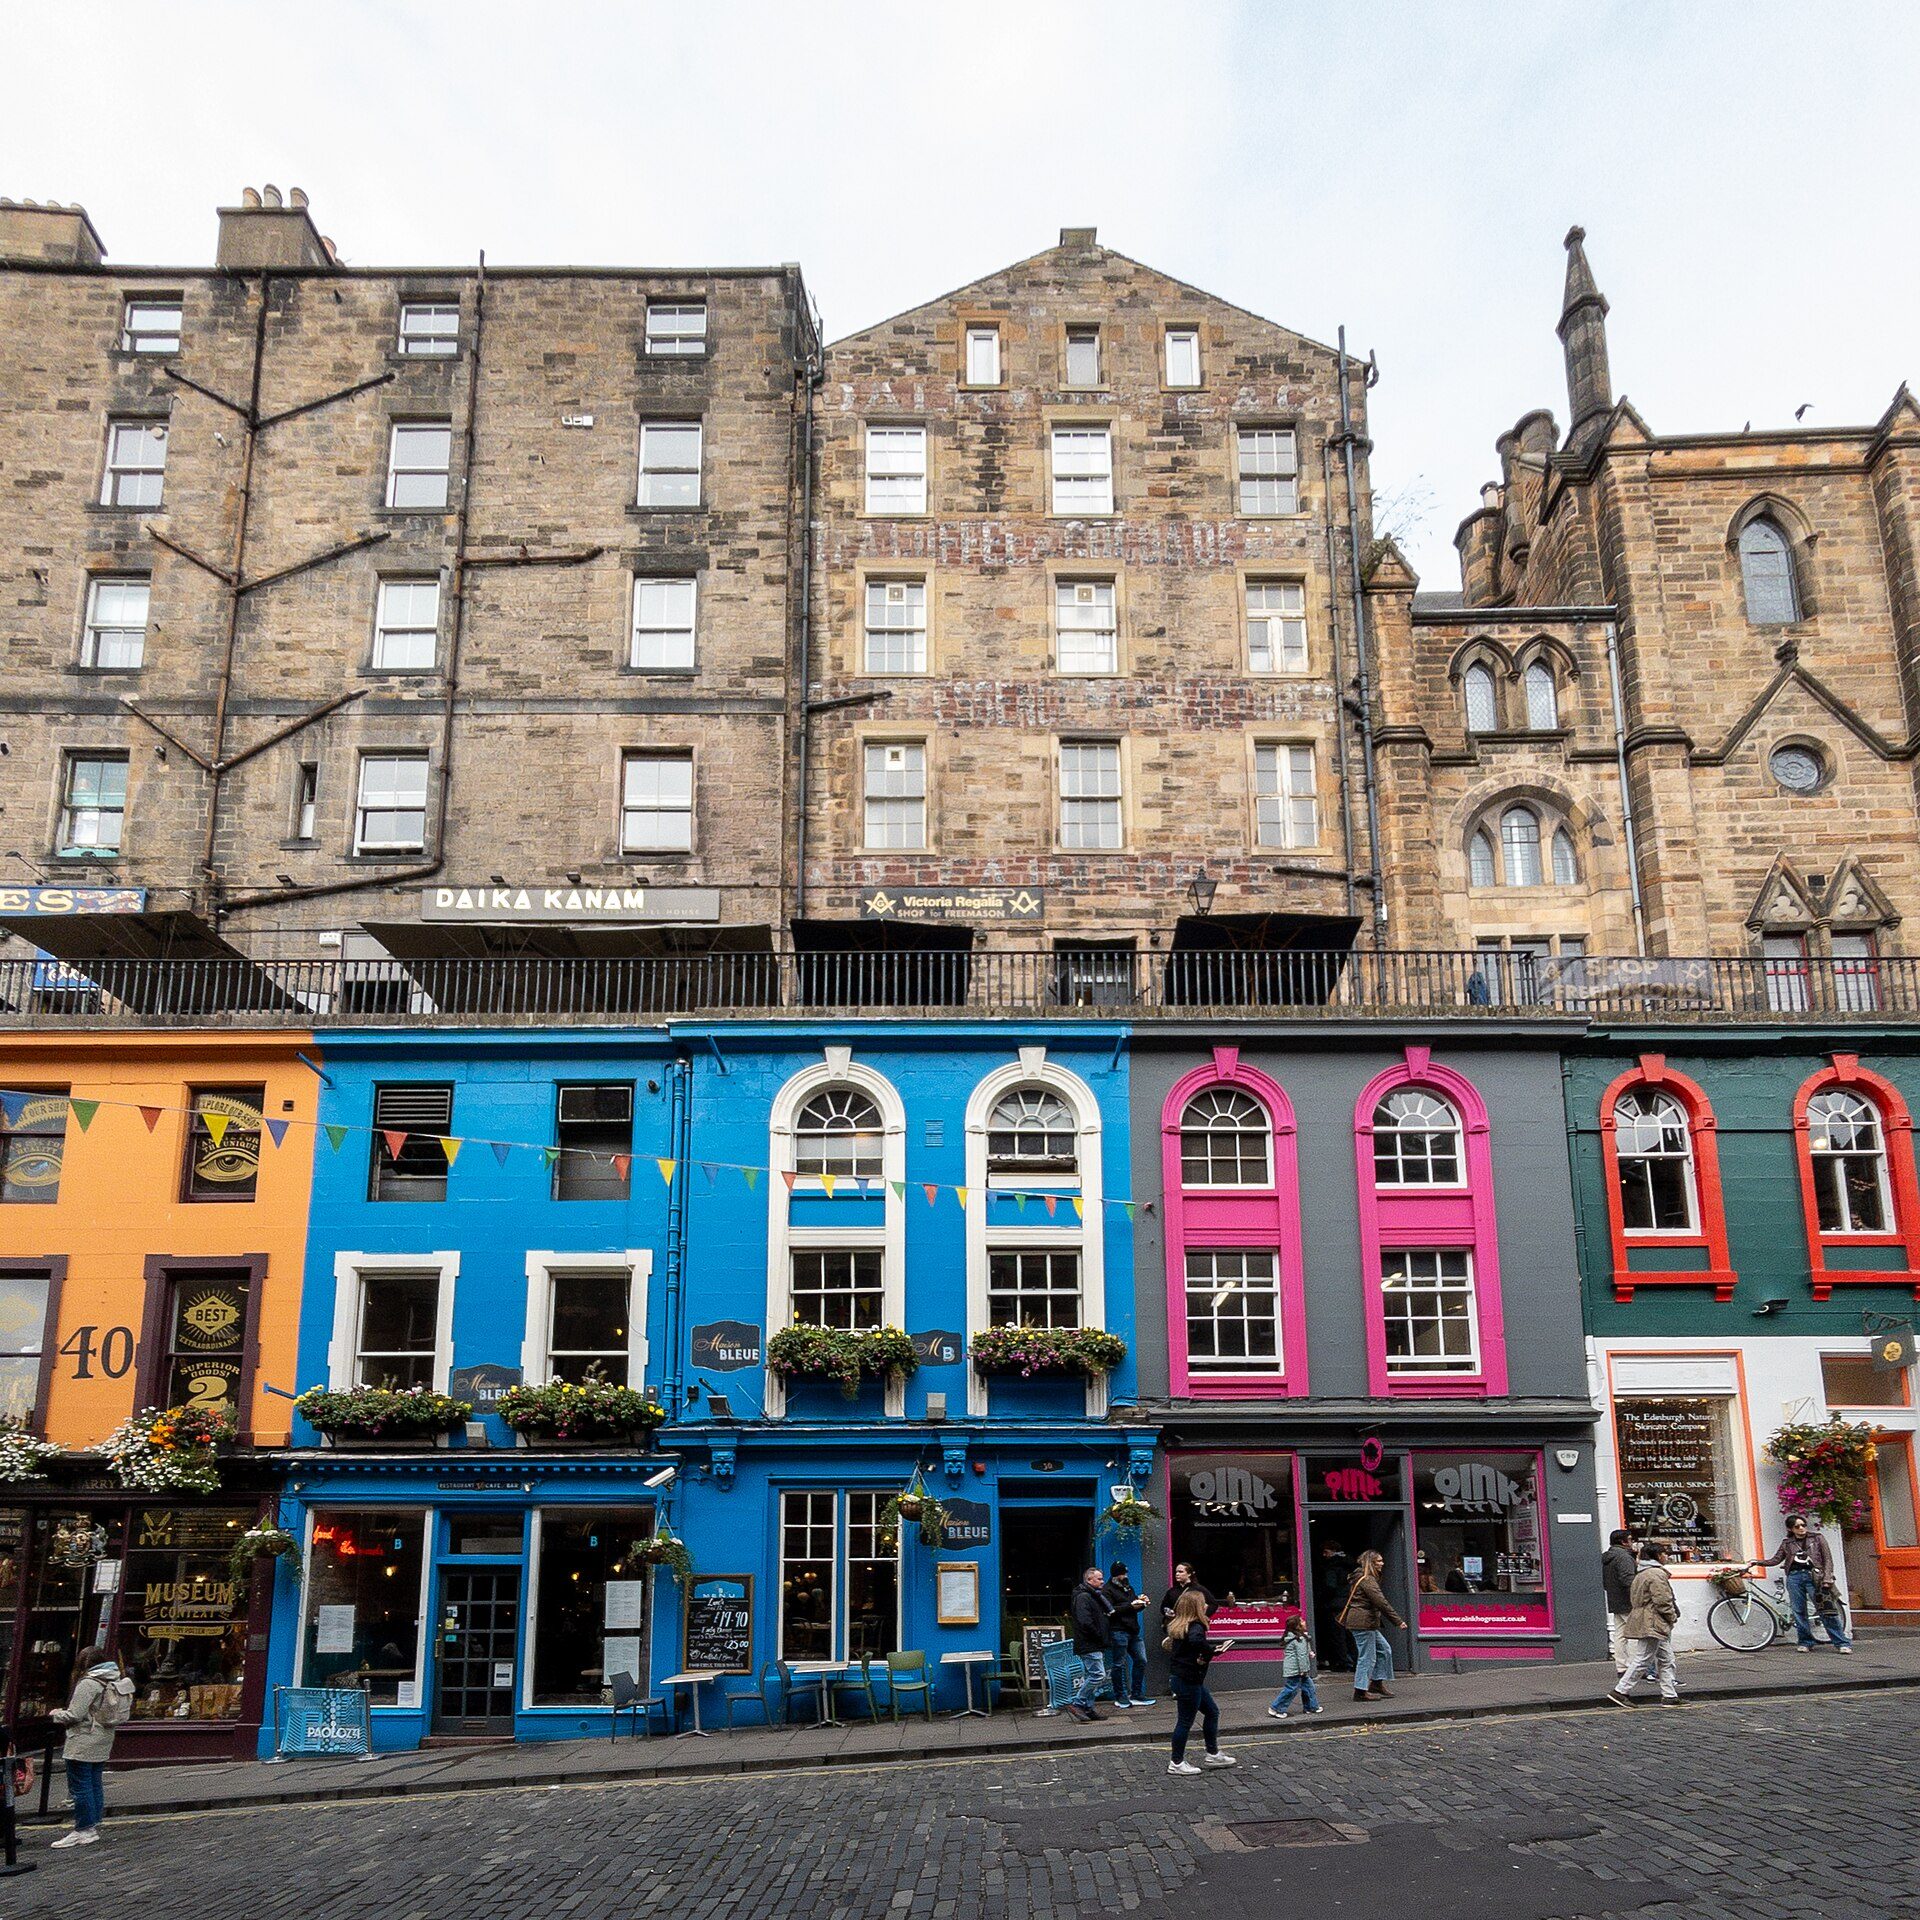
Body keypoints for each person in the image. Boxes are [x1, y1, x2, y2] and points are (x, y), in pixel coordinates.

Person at [49, 1649, 132, 1848]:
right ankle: (92, 1825)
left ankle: (84, 1829)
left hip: (83, 1740)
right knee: (94, 1783)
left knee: (80, 1787)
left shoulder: (88, 1683)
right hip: (103, 1738)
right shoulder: (112, 1679)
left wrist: (56, 1714)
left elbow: (75, 1714)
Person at [1752, 1515, 1853, 1654]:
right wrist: (1757, 1562)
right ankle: (1805, 1642)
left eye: (1803, 1525)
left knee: (1826, 1610)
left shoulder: (1817, 1538)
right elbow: (1776, 1559)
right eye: (1797, 1526)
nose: (1801, 1529)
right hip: (1794, 1577)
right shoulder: (1787, 1543)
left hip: (1815, 1577)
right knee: (1799, 1611)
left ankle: (1842, 1643)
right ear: (1790, 1529)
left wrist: (1827, 1578)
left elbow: (1827, 1559)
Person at [1162, 1588, 1237, 1774]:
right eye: (1202, 1603)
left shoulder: (1181, 1626)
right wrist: (1211, 1652)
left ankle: (1213, 1754)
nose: (1205, 1606)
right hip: (1188, 1680)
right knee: (1185, 1721)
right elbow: (1196, 1642)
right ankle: (1176, 1763)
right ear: (1195, 1607)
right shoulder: (1196, 1626)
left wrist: (1205, 1654)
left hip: (1184, 1678)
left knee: (1212, 1711)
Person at [1609, 1540, 1684, 1708]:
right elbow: (1663, 1600)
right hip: (1652, 1621)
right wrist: (1671, 1616)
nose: (1666, 1556)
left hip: (1647, 1619)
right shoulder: (1655, 1575)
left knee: (1666, 1659)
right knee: (1643, 1658)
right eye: (1664, 1553)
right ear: (1657, 1556)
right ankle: (1620, 1691)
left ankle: (1670, 1695)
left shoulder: (1642, 1573)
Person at [1338, 1550, 1405, 1703]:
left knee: (1384, 1650)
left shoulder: (1365, 1577)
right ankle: (1360, 1691)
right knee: (1367, 1657)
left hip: (1368, 1622)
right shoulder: (1367, 1580)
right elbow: (1381, 1602)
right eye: (1378, 1561)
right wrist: (1398, 1621)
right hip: (1362, 1623)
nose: (1382, 1563)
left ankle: (1376, 1683)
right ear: (1370, 1563)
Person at [1065, 1567, 1113, 1723]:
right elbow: (1085, 1621)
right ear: (1089, 1580)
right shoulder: (1084, 1597)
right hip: (1089, 1643)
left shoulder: (1093, 1596)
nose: (1102, 1581)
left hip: (1093, 1643)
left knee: (1092, 1675)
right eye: (1099, 1579)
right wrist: (1098, 1635)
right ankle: (1078, 1703)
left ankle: (1088, 1708)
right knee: (1098, 1675)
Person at [1104, 1562, 1154, 1707]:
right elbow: (1110, 1610)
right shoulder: (1107, 1590)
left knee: (1141, 1660)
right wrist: (1130, 1606)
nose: (1125, 1576)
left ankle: (1137, 1693)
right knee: (1118, 1664)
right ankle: (1120, 1695)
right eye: (1122, 1574)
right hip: (1118, 1630)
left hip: (1133, 1631)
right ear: (1115, 1575)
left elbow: (1133, 1607)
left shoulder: (1128, 1588)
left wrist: (1142, 1603)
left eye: (1125, 1573)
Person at [1265, 1613, 1322, 1719]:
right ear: (1297, 1626)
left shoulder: (1298, 1637)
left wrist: (1309, 1652)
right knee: (1291, 1689)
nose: (1304, 1622)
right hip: (1296, 1669)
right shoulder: (1298, 1639)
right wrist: (1303, 1670)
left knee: (1309, 1687)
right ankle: (1276, 1708)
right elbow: (1301, 1656)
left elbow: (1304, 1649)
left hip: (1297, 1668)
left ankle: (1311, 1707)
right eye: (1302, 1621)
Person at [1601, 1528, 1639, 1674]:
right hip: (1628, 1601)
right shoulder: (1624, 1557)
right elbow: (1628, 1579)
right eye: (1630, 1539)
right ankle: (1636, 1667)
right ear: (1623, 1542)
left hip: (1615, 1599)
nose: (1632, 1542)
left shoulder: (1608, 1557)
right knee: (1636, 1634)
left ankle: (1622, 1666)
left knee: (1620, 1635)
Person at [1317, 1541, 1354, 1671]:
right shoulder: (1349, 1564)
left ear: (1333, 1551)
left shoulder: (1331, 1567)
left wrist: (1322, 1598)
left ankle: (1344, 1663)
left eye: (1326, 1552)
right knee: (1350, 1634)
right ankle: (1354, 1661)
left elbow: (1330, 1586)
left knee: (1338, 1635)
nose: (1324, 1555)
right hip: (1349, 1603)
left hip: (1335, 1604)